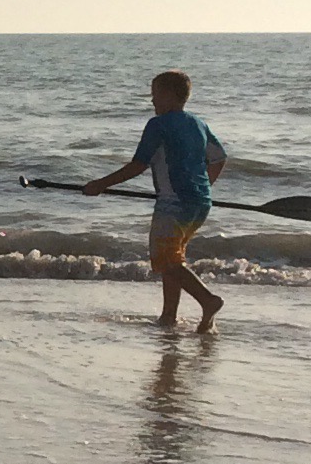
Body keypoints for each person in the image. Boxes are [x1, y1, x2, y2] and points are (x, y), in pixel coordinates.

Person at [83, 71, 226, 328]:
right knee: (174, 259)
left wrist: (100, 184)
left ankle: (207, 300)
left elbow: (138, 165)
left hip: (173, 205)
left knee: (166, 261)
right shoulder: (198, 124)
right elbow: (218, 158)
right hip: (200, 204)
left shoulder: (158, 125)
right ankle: (168, 316)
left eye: (155, 94)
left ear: (169, 95)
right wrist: (204, 186)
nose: (152, 100)